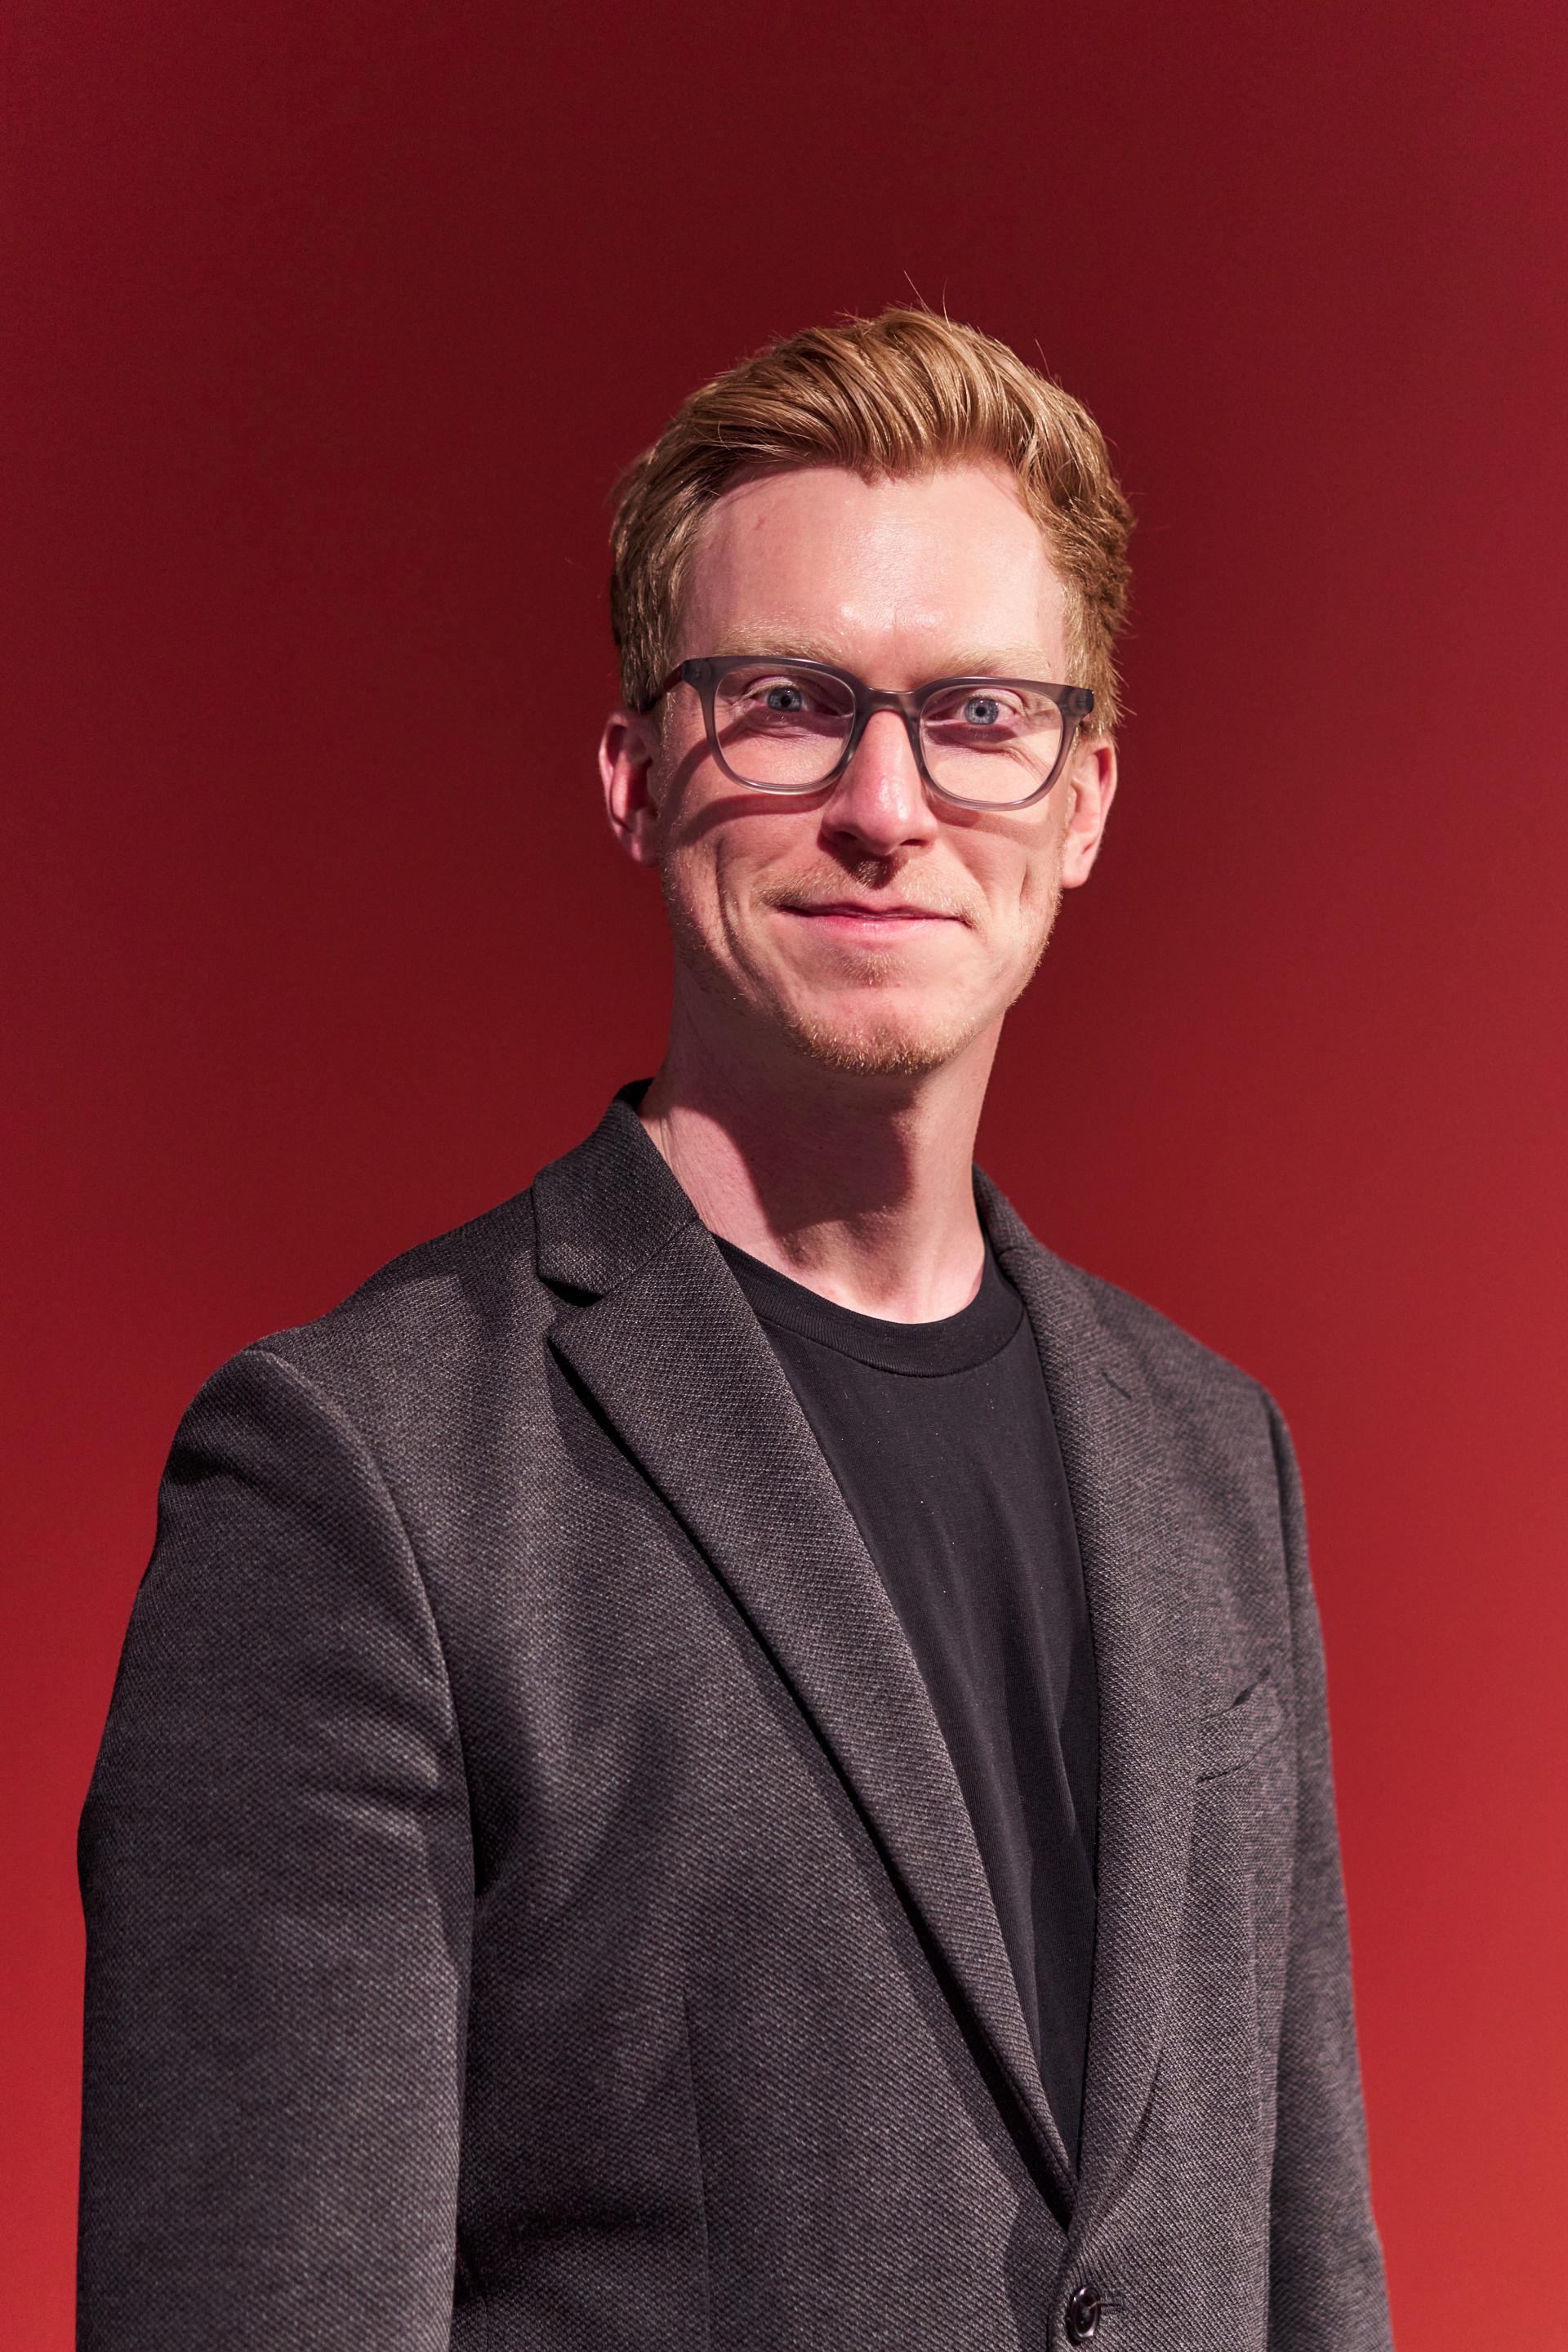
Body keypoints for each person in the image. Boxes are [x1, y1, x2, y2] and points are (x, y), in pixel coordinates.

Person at [77, 310, 1392, 2352]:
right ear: (630, 773)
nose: (887, 802)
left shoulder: (1220, 1459)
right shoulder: (357, 1481)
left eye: (977, 714)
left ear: (1088, 797)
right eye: (786, 703)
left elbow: (1311, 2275)